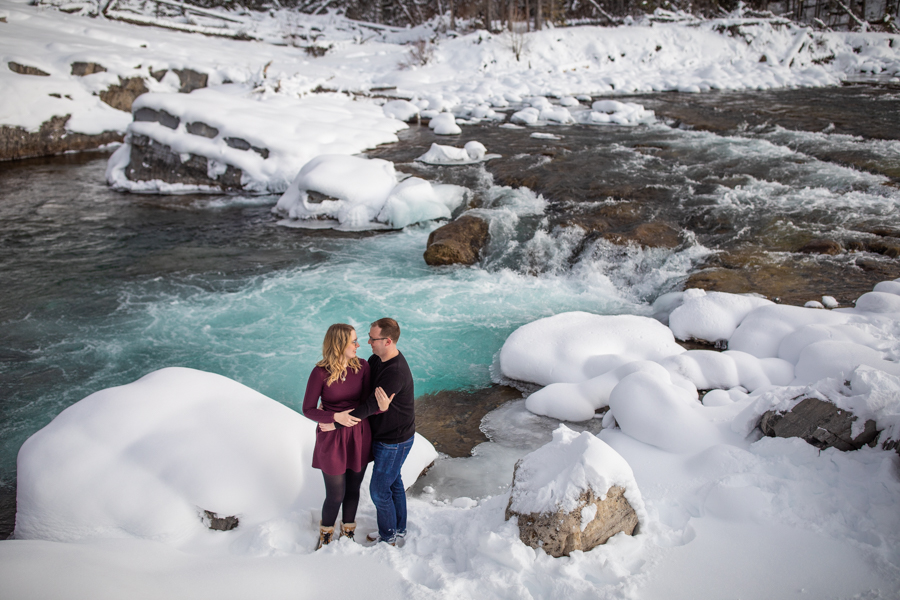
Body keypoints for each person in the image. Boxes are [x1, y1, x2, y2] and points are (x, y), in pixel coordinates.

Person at [327, 317, 415, 545]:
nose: (368, 342)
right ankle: (399, 529)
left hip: (393, 440)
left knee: (378, 491)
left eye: (372, 338)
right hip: (387, 435)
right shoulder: (378, 359)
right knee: (393, 482)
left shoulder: (394, 372)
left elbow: (370, 406)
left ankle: (388, 537)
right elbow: (366, 390)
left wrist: (336, 422)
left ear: (387, 341)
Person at [302, 323, 383, 550]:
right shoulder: (320, 372)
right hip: (332, 437)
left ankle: (348, 532)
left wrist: (381, 407)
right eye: (353, 341)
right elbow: (308, 409)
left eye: (357, 340)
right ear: (339, 345)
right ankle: (326, 534)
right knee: (335, 493)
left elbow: (369, 403)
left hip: (359, 434)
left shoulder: (363, 366)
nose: (359, 345)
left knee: (353, 489)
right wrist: (335, 418)